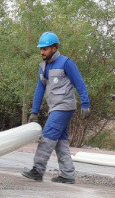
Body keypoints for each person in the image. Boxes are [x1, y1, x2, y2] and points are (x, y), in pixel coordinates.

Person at [23, 31, 90, 184]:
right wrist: (34, 111)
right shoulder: (43, 67)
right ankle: (68, 174)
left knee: (47, 136)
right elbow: (40, 89)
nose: (42, 52)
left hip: (64, 106)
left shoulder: (66, 63)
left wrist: (85, 103)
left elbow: (79, 83)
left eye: (45, 49)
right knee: (60, 141)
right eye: (41, 49)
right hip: (54, 108)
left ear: (54, 48)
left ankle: (37, 170)